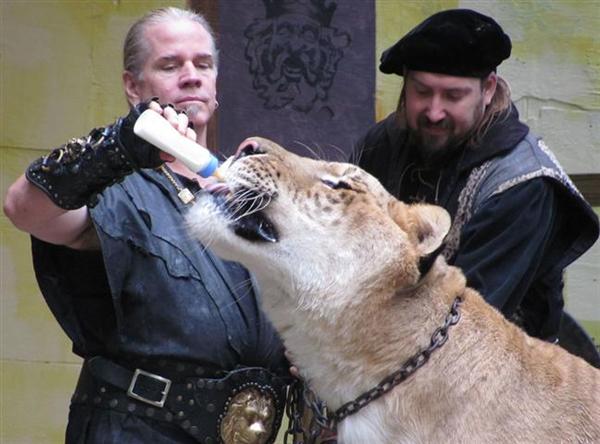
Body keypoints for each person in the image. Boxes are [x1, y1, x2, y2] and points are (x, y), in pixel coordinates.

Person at [3, 7, 293, 443]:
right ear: (132, 86)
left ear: (215, 87)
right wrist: (119, 145)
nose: (192, 75)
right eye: (170, 64)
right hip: (136, 430)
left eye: (203, 64)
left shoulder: (247, 192)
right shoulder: (115, 186)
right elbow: (23, 209)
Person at [352, 9, 599, 354]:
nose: (434, 111)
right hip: (378, 352)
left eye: (453, 96)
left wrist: (344, 342)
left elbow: (463, 321)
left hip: (496, 380)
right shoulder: (381, 145)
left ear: (488, 90)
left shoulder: (522, 184)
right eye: (422, 91)